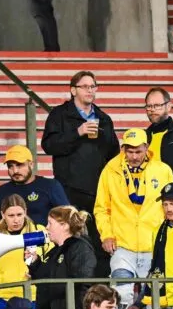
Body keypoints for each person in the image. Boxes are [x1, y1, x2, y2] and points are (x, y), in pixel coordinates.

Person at [95, 128, 173, 309]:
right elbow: (102, 208)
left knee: (157, 303)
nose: (133, 156)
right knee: (121, 298)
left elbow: (170, 205)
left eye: (138, 151)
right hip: (123, 246)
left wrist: (167, 237)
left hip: (154, 246)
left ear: (146, 148)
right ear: (123, 149)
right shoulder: (111, 169)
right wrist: (106, 234)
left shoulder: (162, 170)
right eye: (129, 151)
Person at [41, 71, 118, 263]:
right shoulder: (59, 115)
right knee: (73, 240)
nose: (90, 90)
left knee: (98, 241)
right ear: (73, 90)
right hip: (69, 190)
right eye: (85, 86)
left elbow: (114, 153)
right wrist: (77, 132)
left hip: (98, 190)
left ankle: (99, 279)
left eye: (93, 86)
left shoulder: (104, 118)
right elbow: (49, 145)